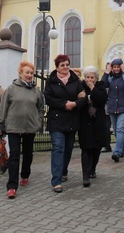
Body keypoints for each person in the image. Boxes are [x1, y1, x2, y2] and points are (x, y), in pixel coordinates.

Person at [0, 61, 44, 199]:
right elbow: (3, 108)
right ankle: (11, 186)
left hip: (30, 127)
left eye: (31, 73)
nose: (29, 75)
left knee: (28, 154)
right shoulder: (11, 89)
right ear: (20, 73)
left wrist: (38, 120)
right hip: (14, 127)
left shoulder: (36, 91)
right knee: (14, 155)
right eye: (26, 73)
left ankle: (25, 175)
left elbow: (40, 108)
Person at [44, 54, 86, 193]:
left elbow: (83, 98)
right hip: (56, 120)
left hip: (72, 119)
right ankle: (56, 181)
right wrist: (64, 104)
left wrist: (74, 104)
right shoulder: (51, 81)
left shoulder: (75, 80)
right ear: (57, 67)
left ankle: (63, 171)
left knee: (68, 148)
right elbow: (48, 99)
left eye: (67, 64)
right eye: (62, 65)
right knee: (58, 147)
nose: (66, 67)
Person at [78, 66, 108, 187]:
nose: (89, 80)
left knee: (96, 148)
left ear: (96, 78)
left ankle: (92, 168)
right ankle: (85, 176)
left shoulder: (101, 87)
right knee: (86, 149)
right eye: (87, 77)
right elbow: (79, 103)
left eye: (92, 77)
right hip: (85, 122)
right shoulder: (80, 88)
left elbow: (101, 99)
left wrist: (92, 88)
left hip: (98, 122)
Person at [101, 58, 124, 162]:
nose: (116, 69)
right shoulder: (110, 78)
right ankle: (122, 149)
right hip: (112, 107)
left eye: (118, 67)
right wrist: (106, 72)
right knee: (116, 130)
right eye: (114, 67)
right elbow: (102, 84)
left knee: (120, 129)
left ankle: (116, 152)